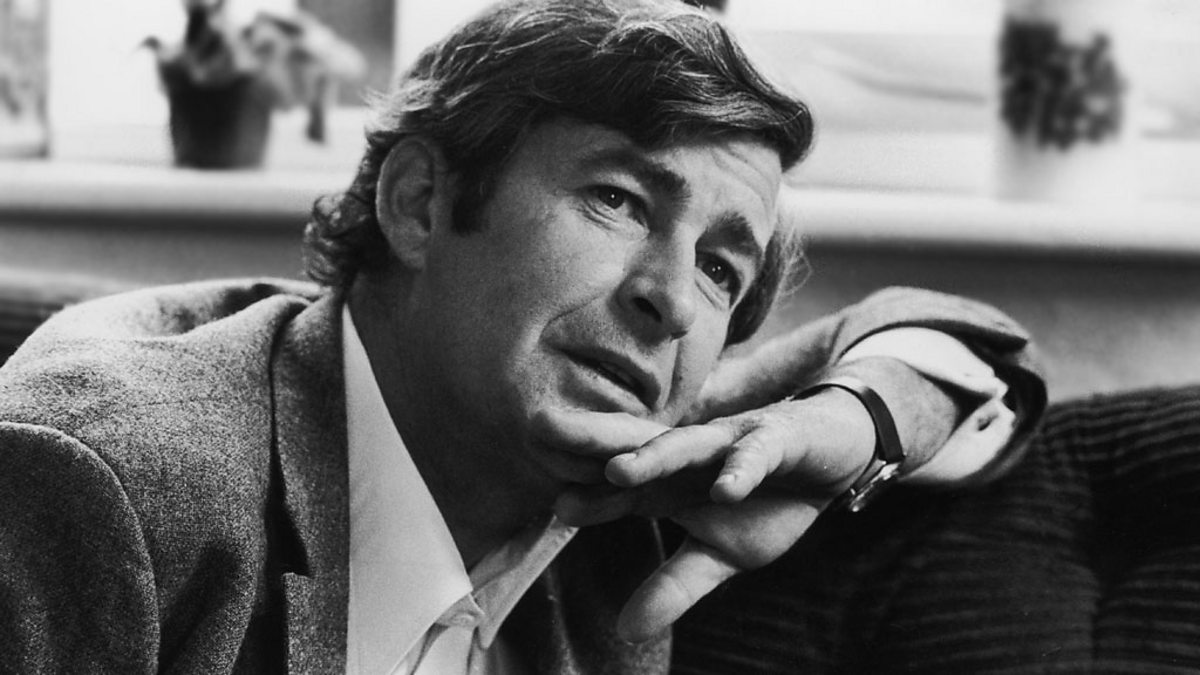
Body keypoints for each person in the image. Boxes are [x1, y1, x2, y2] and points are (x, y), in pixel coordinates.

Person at [0, 0, 1045, 672]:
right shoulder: (101, 488)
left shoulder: (643, 454)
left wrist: (860, 424)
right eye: (618, 200)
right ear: (418, 202)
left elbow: (971, 349)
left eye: (721, 267)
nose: (674, 301)